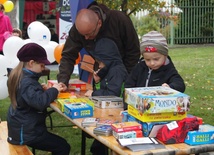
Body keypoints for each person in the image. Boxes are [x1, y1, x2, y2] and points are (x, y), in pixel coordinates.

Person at [57, 1, 140, 89]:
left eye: (89, 34)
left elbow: (133, 52)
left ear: (99, 23)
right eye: (83, 35)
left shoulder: (119, 20)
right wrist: (63, 81)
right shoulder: (79, 29)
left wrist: (123, 78)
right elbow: (68, 55)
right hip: (101, 76)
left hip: (124, 74)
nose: (86, 38)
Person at [7, 43, 71, 155]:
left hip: (21, 127)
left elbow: (28, 97)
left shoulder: (21, 76)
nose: (43, 69)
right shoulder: (27, 82)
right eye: (41, 65)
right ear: (31, 63)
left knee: (60, 145)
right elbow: (40, 103)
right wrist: (54, 90)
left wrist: (40, 90)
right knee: (63, 147)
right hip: (26, 133)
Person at [84, 38, 128, 155]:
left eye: (100, 62)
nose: (100, 65)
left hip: (118, 113)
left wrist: (93, 93)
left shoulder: (117, 71)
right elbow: (105, 90)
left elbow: (112, 94)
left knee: (99, 146)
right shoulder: (109, 69)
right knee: (97, 146)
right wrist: (98, 81)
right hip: (110, 110)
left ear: (108, 59)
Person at [124, 31, 186, 110]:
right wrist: (127, 107)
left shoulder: (168, 69)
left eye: (156, 59)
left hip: (161, 109)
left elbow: (180, 84)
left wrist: (170, 87)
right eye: (147, 59)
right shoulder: (139, 68)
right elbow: (128, 86)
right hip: (138, 108)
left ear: (165, 55)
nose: (152, 63)